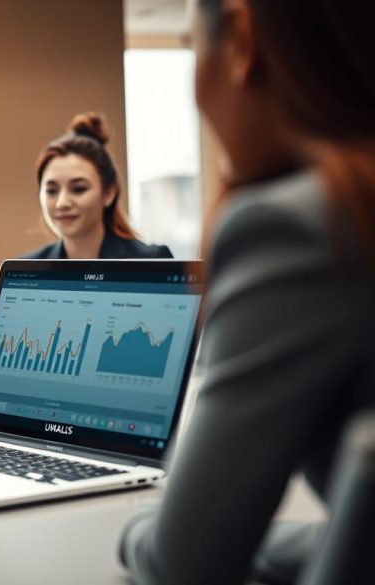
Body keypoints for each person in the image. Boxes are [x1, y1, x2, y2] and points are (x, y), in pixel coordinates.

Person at [119, 1, 375, 584]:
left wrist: (138, 528)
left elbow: (183, 568)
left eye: (191, 48)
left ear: (241, 38)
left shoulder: (302, 228)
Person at [23, 112, 172, 259]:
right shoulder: (26, 268)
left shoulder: (151, 261)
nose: (62, 203)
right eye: (51, 190)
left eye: (78, 189)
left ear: (109, 193)